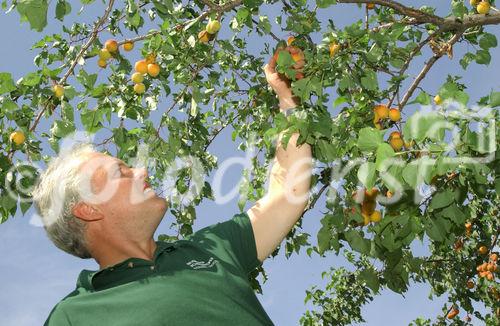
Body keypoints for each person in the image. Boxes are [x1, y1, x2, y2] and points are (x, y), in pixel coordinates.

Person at [35, 48, 312, 325]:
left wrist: (287, 98)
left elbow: (289, 194)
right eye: (120, 172)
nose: (142, 171)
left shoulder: (211, 248)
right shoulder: (74, 315)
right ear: (87, 208)